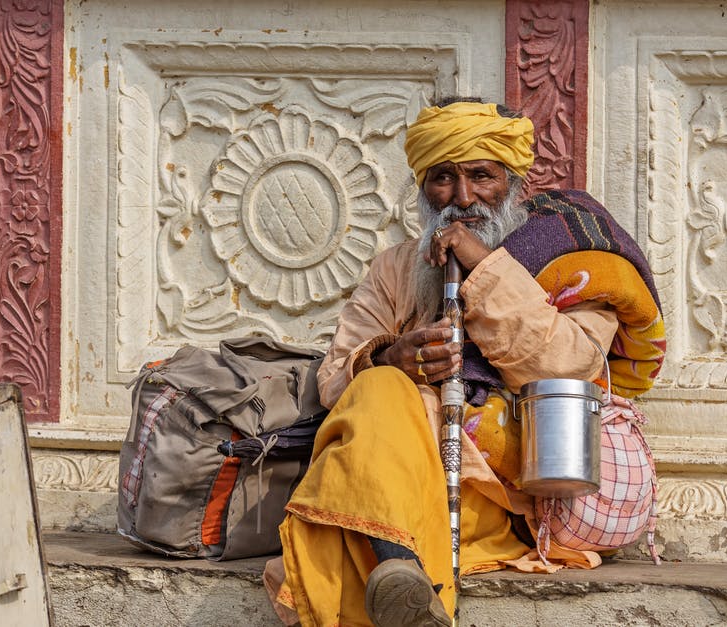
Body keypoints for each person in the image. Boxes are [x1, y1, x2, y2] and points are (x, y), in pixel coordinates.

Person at [268, 99, 666, 626]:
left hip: (491, 494)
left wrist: (484, 269)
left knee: (336, 526)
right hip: (394, 474)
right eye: (442, 179)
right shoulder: (396, 267)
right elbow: (334, 379)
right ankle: (402, 574)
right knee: (379, 384)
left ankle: (396, 567)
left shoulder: (570, 260)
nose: (462, 197)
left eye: (482, 176)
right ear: (422, 188)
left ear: (514, 181)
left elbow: (570, 366)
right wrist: (391, 355)